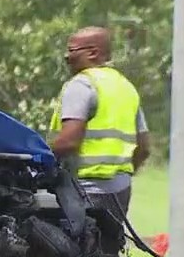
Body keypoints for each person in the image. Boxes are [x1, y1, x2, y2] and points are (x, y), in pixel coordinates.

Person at [48, 26, 151, 218]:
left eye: (72, 50)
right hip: (120, 192)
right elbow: (144, 148)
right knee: (107, 247)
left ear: (93, 53)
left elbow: (69, 141)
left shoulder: (82, 84)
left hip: (84, 191)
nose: (66, 57)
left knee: (66, 245)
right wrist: (122, 174)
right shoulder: (126, 87)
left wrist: (38, 155)